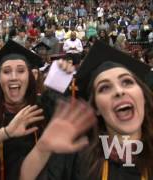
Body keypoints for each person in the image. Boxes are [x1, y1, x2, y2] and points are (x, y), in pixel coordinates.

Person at [20, 41, 153, 180]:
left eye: (127, 82)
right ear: (96, 108)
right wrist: (43, 148)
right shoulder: (78, 155)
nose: (119, 91)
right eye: (104, 88)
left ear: (142, 96)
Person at [0, 39, 46, 180]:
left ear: (30, 77)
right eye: (6, 72)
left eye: (21, 71)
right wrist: (5, 133)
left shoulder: (44, 110)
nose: (13, 77)